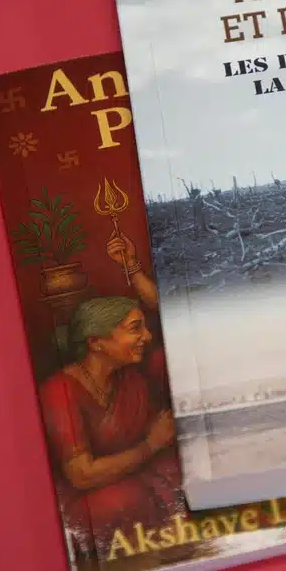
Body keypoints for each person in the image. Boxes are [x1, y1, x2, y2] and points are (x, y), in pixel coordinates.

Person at [38, 232, 184, 554]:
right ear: (96, 341)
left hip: (139, 477)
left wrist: (131, 266)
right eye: (135, 329)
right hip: (96, 499)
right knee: (121, 501)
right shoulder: (60, 391)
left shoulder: (131, 380)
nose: (146, 336)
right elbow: (81, 475)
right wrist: (149, 445)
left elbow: (171, 314)